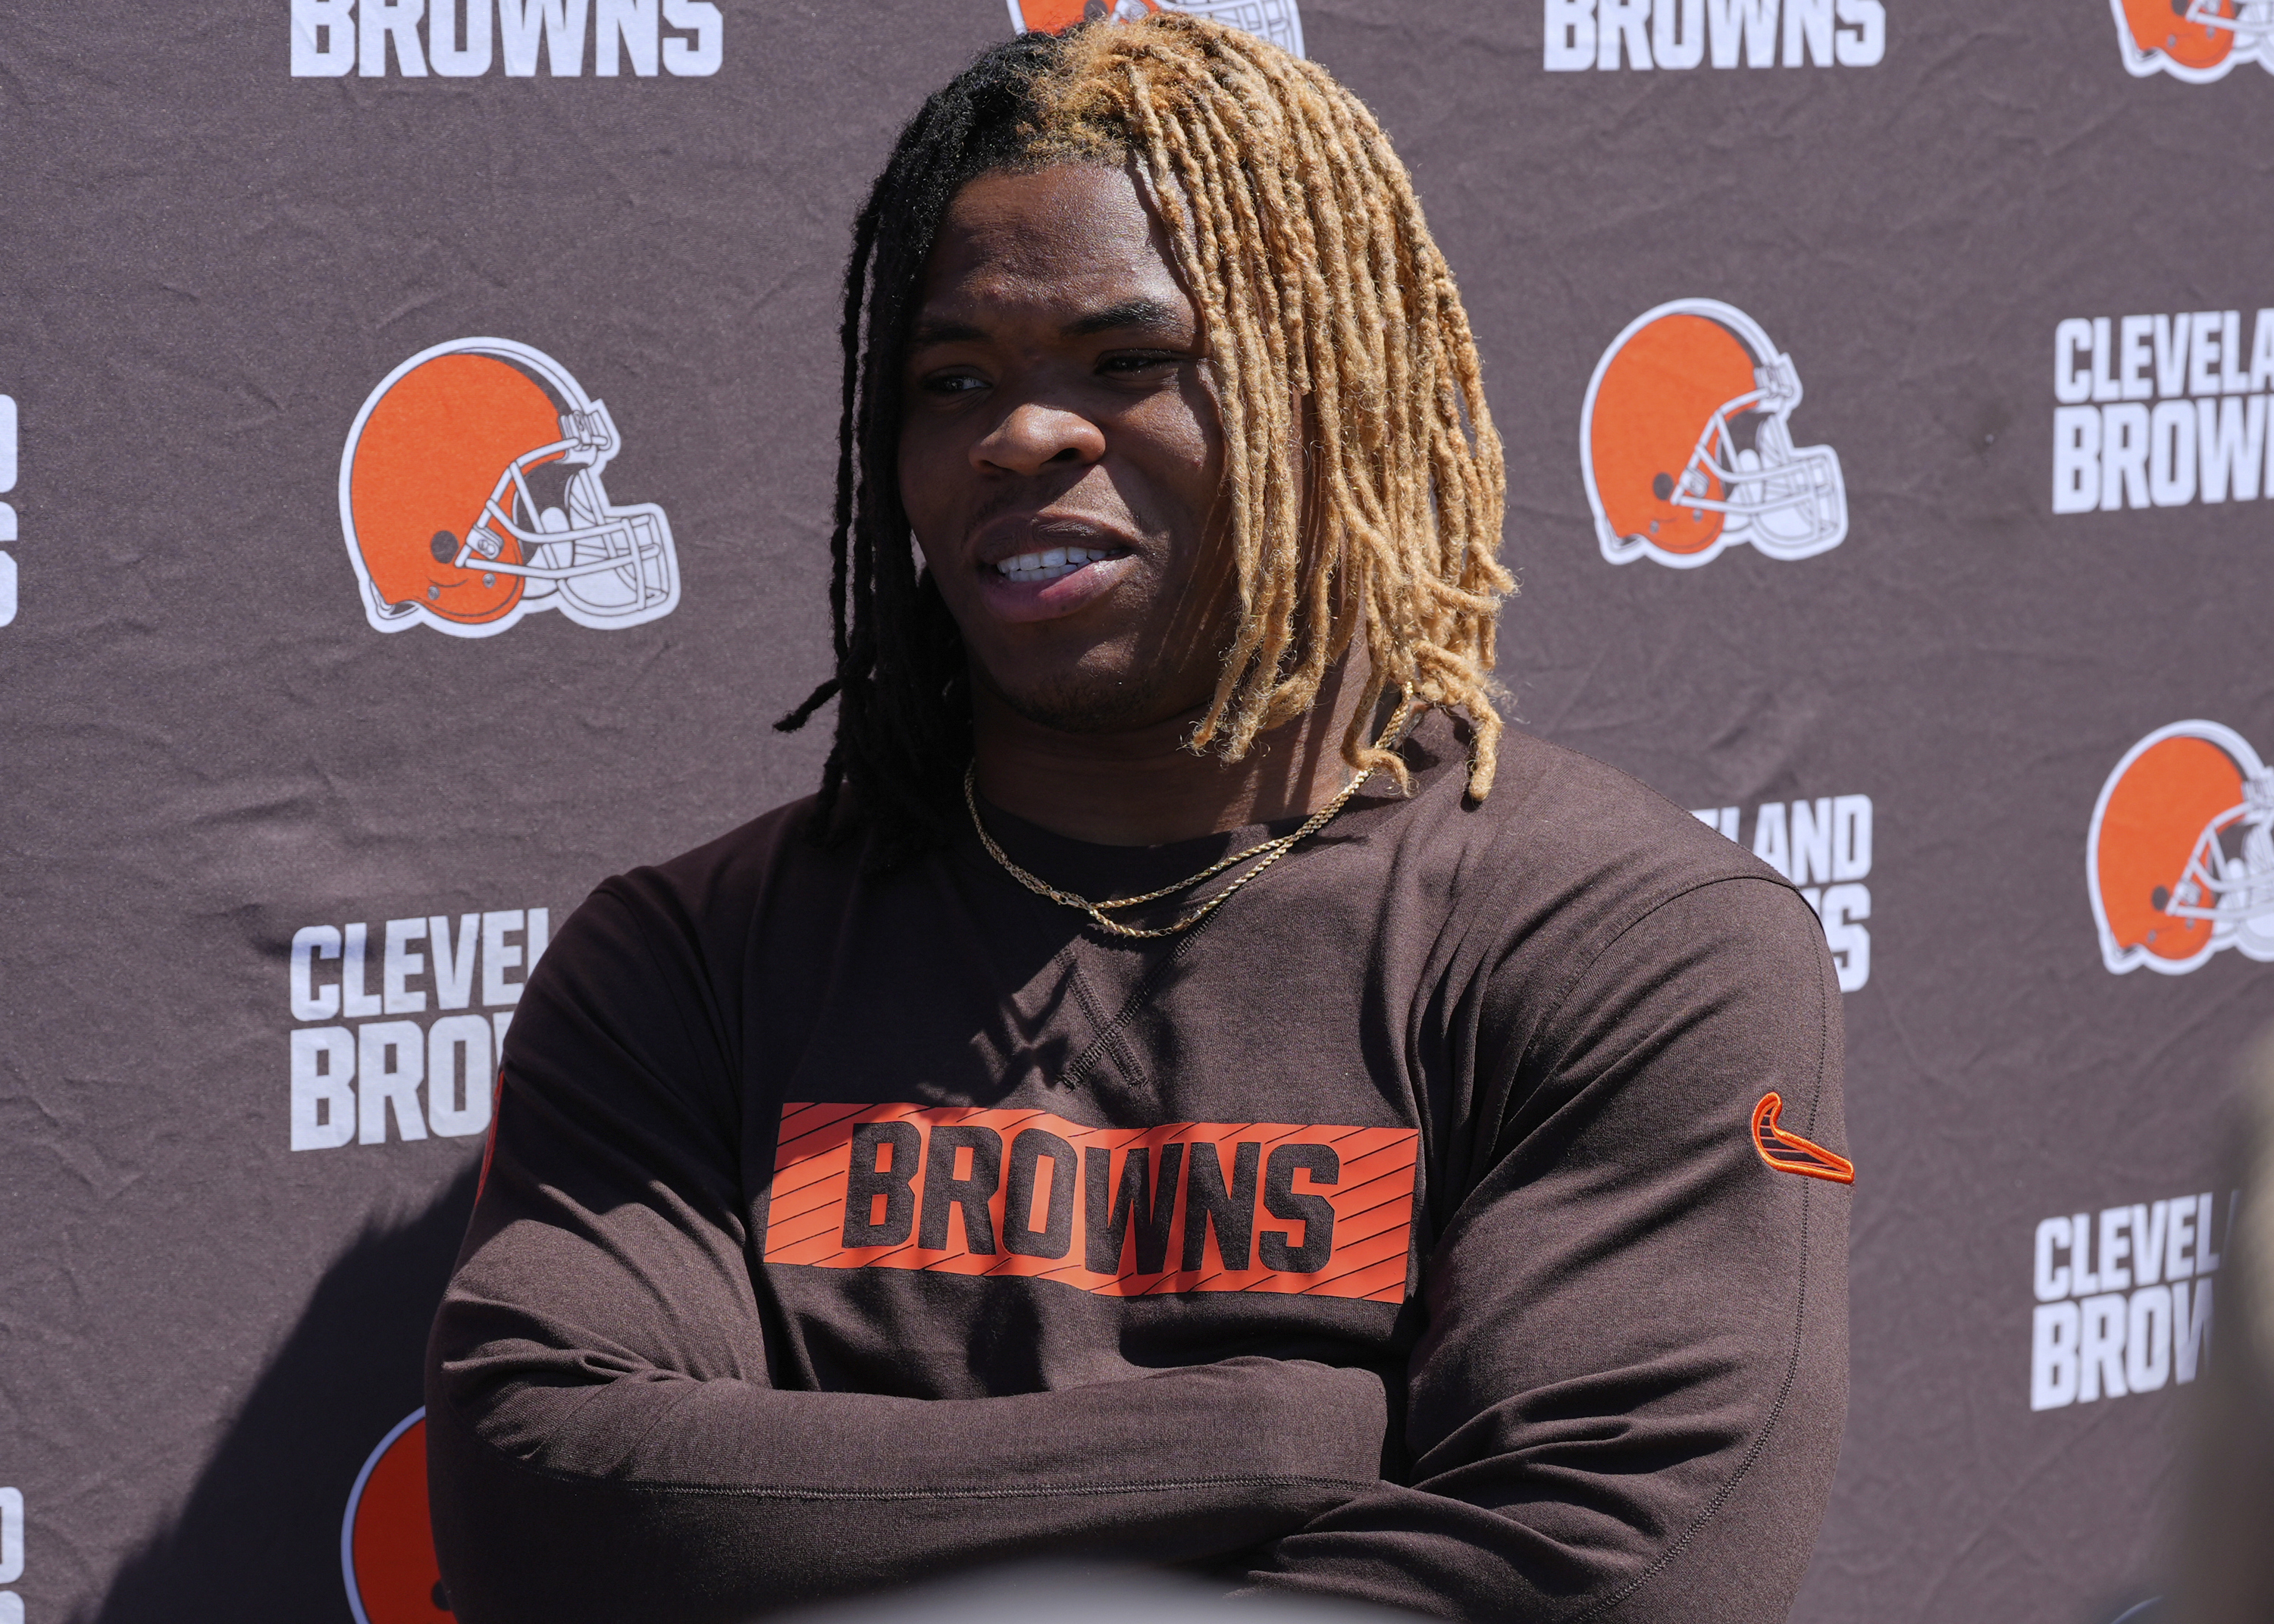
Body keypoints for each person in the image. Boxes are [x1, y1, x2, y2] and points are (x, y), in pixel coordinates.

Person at [424, 17, 1851, 1622]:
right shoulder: (692, 960)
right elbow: (548, 1507)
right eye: (954, 379)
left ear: (1333, 390)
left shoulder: (1629, 945)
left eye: (1131, 363)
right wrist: (1279, 1441)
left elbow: (1605, 1569)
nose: (1023, 434)